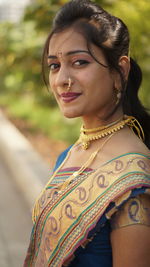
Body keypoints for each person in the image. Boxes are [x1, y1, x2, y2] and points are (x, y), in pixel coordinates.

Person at [24, 0, 150, 266]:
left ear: (120, 71)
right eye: (55, 65)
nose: (62, 80)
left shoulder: (134, 182)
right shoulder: (73, 153)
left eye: (79, 62)